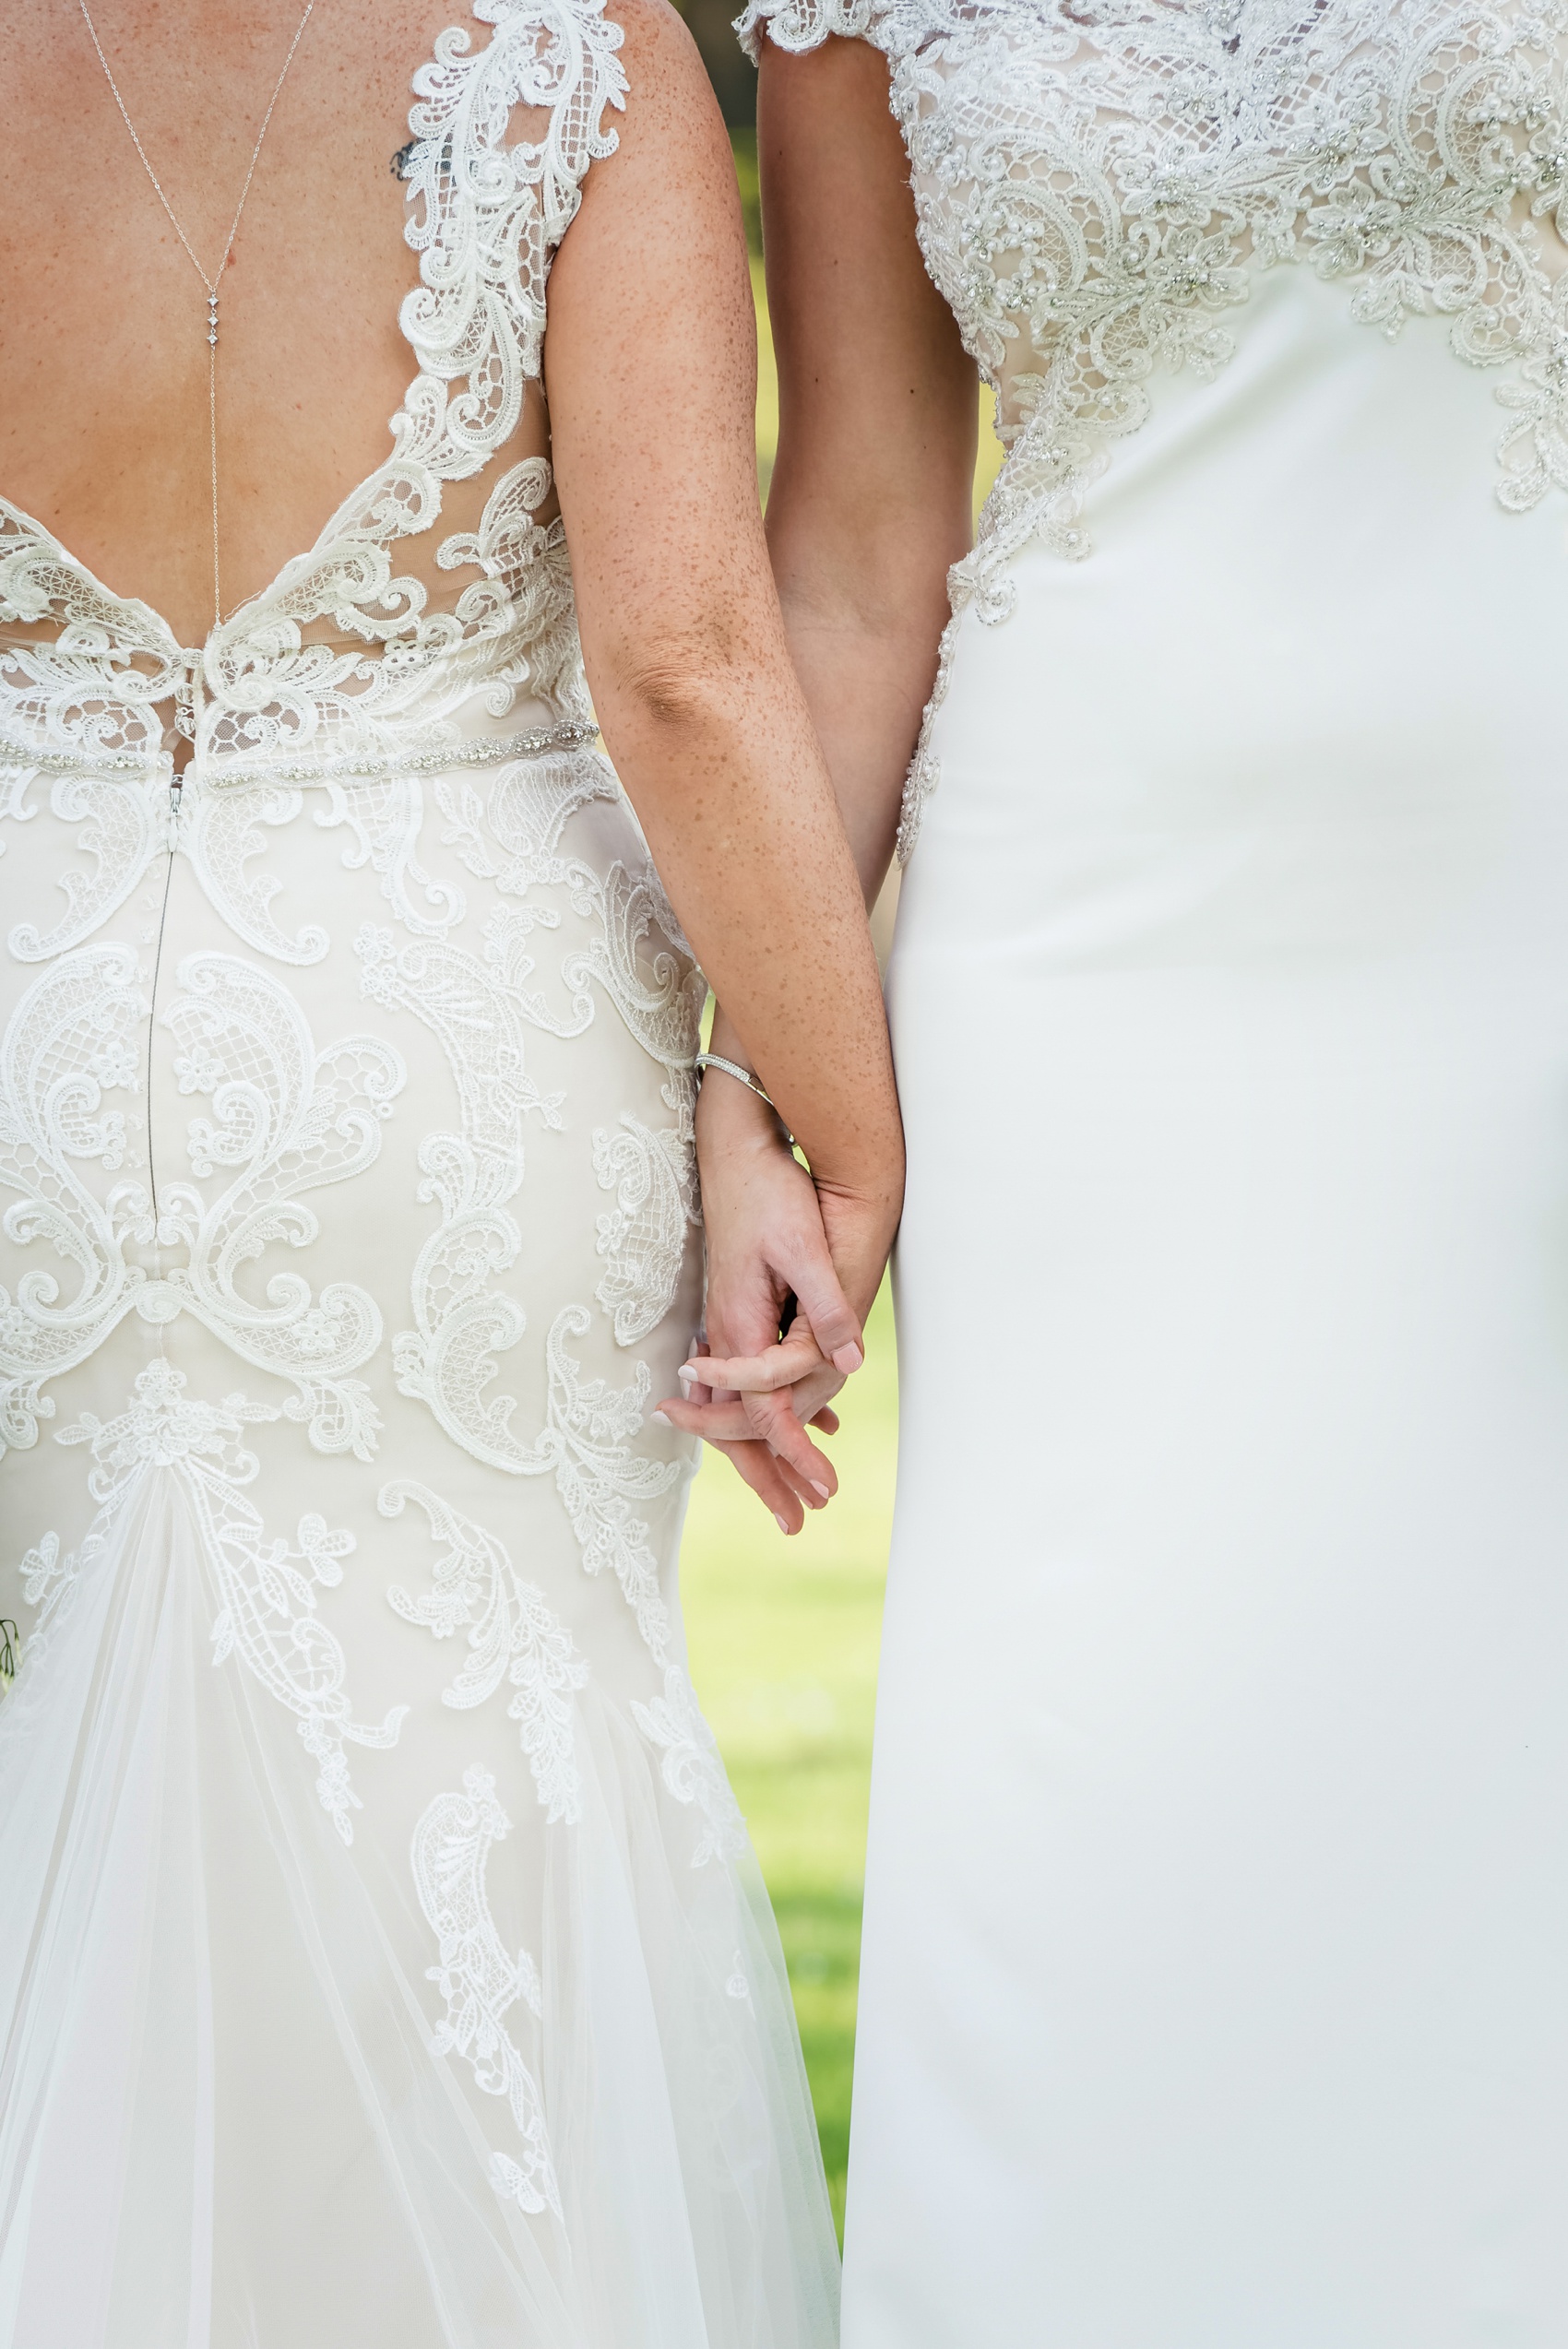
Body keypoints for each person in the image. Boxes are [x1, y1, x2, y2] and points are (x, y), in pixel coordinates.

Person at [0, 3, 903, 2341]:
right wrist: (828, 1106)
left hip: (38, 1047)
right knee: (468, 1849)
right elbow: (686, 655)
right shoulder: (557, 54)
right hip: (448, 1079)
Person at [672, 2, 1568, 2339]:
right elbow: (864, 543)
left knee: (1479, 1776)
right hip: (1076, 965)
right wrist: (750, 1065)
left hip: (1514, 931)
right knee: (1089, 1783)